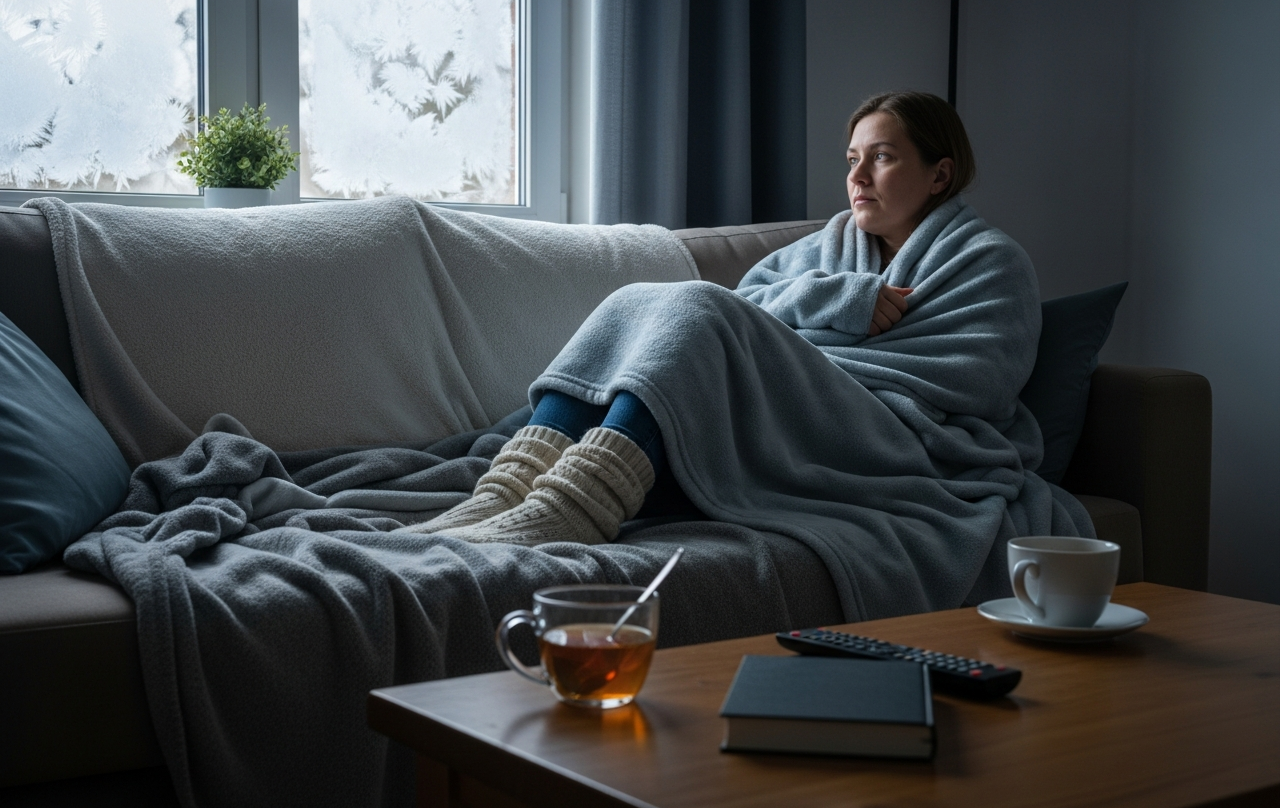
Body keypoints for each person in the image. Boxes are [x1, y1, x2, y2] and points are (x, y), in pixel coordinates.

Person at [400, 92, 1071, 600]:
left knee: (696, 306)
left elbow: (980, 378)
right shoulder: (826, 252)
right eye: (852, 159)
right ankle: (509, 488)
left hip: (892, 435)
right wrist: (834, 301)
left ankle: (574, 507)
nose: (858, 175)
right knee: (638, 300)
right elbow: (751, 315)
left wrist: (812, 364)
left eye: (884, 157)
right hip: (794, 405)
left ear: (939, 175)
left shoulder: (990, 261)